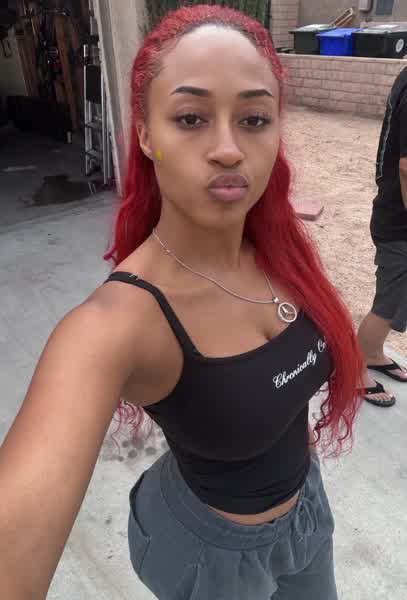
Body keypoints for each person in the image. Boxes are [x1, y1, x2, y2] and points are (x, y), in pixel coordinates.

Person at [0, 5, 364, 599]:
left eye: (254, 119)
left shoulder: (279, 250)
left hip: (306, 516)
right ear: (146, 135)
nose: (228, 149)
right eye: (191, 118)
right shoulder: (117, 325)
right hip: (211, 558)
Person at [358, 65, 407, 408]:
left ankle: (373, 354)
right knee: (388, 303)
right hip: (399, 223)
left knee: (395, 297)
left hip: (393, 215)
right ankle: (355, 369)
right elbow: (406, 168)